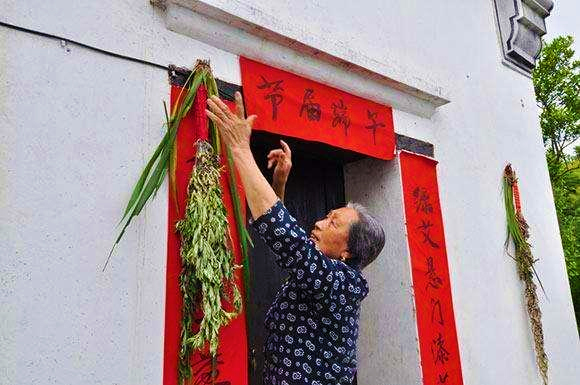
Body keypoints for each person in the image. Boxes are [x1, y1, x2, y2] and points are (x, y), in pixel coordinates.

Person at [206, 92, 385, 385]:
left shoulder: (343, 284)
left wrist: (239, 148)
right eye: (327, 216)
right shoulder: (323, 276)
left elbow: (289, 242)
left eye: (332, 223)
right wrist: (278, 184)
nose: (319, 223)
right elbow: (284, 240)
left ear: (348, 253)